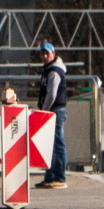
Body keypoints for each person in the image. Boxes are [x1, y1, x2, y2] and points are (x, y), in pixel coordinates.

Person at [35, 42, 68, 189]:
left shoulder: (54, 71)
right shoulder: (50, 69)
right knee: (51, 145)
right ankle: (50, 177)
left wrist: (44, 110)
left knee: (57, 145)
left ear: (53, 54)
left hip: (54, 111)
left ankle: (59, 177)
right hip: (53, 110)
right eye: (43, 54)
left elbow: (51, 94)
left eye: (47, 53)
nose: (45, 56)